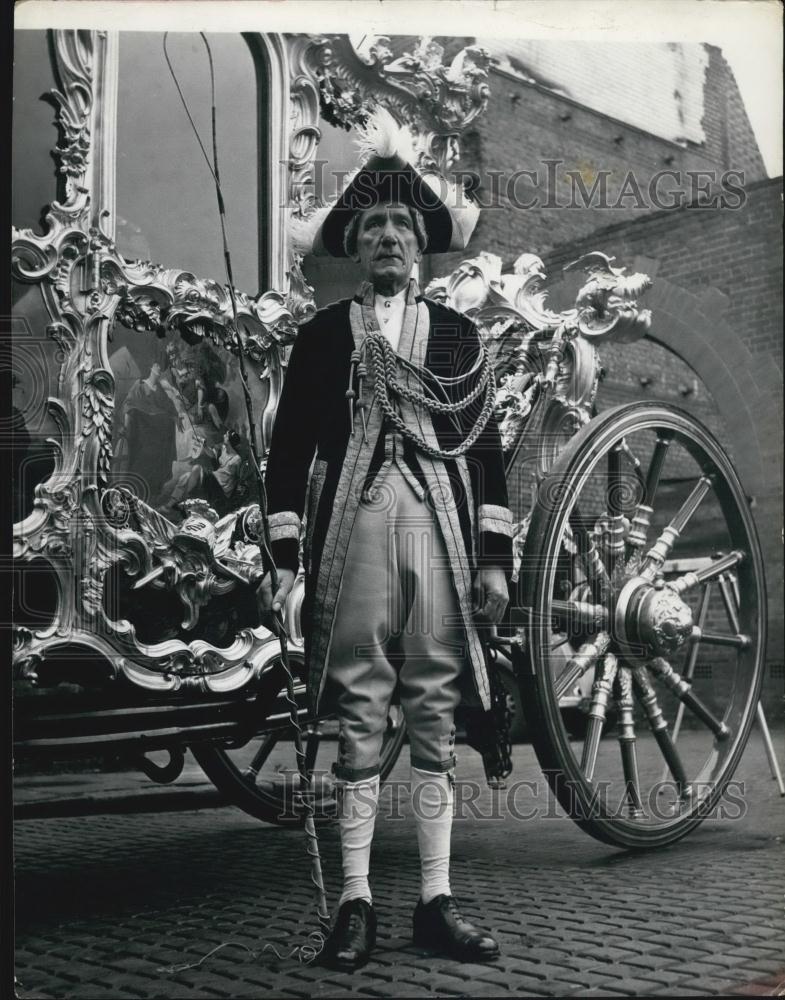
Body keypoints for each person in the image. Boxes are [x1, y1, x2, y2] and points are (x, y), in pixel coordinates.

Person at [257, 109, 513, 971]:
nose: (389, 238)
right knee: (360, 711)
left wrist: (494, 561)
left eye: (402, 224)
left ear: (422, 246)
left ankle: (437, 901)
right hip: (355, 532)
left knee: (433, 708)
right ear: (357, 249)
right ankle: (357, 906)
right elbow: (287, 454)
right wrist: (287, 567)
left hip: (438, 526)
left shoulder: (458, 336)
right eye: (373, 227)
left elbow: (484, 452)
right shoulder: (323, 338)